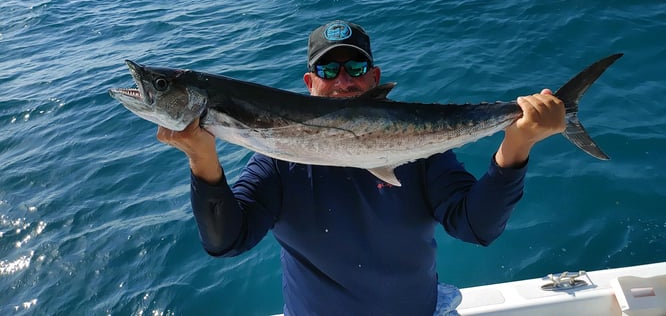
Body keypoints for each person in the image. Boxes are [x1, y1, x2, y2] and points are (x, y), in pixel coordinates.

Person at [157, 20, 565, 316]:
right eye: (327, 70)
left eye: (354, 69)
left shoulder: (419, 152)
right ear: (309, 82)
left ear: (374, 79)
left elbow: (475, 227)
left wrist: (518, 142)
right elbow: (227, 240)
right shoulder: (280, 161)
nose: (342, 81)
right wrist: (202, 157)